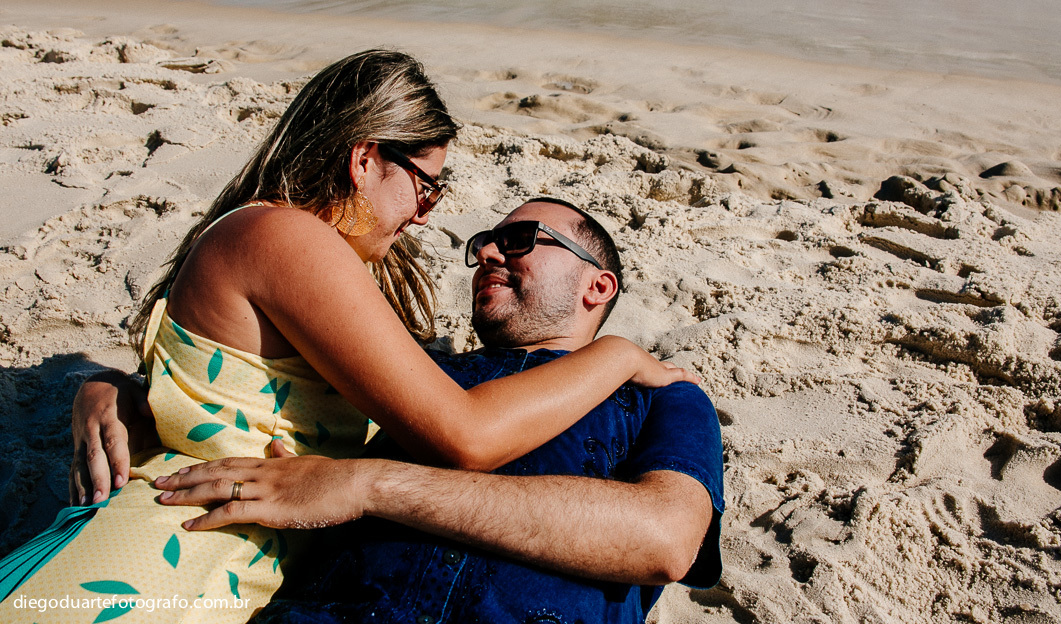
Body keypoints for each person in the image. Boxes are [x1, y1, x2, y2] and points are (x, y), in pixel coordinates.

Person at [0, 53, 694, 623]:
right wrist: (619, 353)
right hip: (164, 566)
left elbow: (235, 384)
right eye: (425, 187)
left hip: (229, 567)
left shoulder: (292, 249)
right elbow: (465, 434)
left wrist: (113, 386)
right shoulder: (285, 236)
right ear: (364, 160)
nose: (425, 217)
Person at [75, 199, 725, 623]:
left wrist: (370, 486)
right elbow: (250, 387)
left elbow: (664, 540)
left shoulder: (660, 394)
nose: (489, 254)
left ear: (598, 285)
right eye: (484, 244)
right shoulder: (422, 377)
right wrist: (116, 391)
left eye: (521, 240)